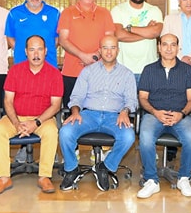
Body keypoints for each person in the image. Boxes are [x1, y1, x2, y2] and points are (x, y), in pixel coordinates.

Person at [58, 35, 137, 192]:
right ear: (99, 50)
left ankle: (104, 167)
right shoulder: (88, 71)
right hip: (89, 115)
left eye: (112, 48)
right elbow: (76, 97)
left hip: (114, 117)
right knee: (65, 132)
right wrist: (75, 112)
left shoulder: (127, 74)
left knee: (128, 136)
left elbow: (131, 100)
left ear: (118, 50)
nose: (109, 52)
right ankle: (72, 168)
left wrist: (125, 111)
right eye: (105, 48)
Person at [0, 35, 63, 195]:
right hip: (16, 117)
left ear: (46, 51)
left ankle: (44, 176)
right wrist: (16, 123)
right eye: (32, 49)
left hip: (42, 118)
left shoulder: (54, 73)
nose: (36, 54)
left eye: (40, 49)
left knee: (51, 131)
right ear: (25, 52)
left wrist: (36, 122)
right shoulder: (15, 71)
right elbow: (8, 101)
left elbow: (56, 105)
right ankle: (3, 178)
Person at [136, 34, 191, 199]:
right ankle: (151, 180)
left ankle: (184, 178)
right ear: (159, 47)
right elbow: (143, 98)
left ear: (178, 48)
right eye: (165, 44)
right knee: (145, 137)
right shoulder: (149, 70)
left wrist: (181, 114)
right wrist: (155, 112)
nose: (169, 48)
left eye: (173, 45)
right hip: (154, 114)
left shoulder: (187, 70)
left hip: (180, 115)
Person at [57, 0, 116, 106]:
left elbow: (110, 39)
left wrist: (95, 57)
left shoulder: (105, 13)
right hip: (71, 72)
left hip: (99, 71)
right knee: (71, 109)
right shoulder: (68, 12)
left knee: (95, 109)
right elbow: (63, 40)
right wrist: (82, 55)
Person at [111, 0, 163, 81]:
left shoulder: (154, 10)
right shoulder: (118, 10)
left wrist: (129, 28)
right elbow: (119, 35)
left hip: (149, 69)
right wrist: (147, 31)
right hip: (123, 69)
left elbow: (155, 32)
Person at [6, 0, 60, 67]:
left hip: (49, 66)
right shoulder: (14, 13)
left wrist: (43, 52)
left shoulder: (54, 13)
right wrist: (23, 51)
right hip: (21, 66)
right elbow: (10, 38)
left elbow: (57, 40)